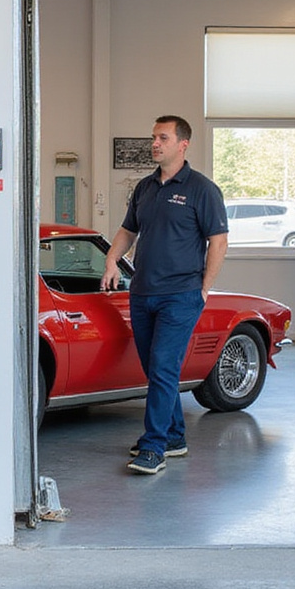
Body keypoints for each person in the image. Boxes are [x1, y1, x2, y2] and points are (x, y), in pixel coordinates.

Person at [102, 115, 229, 475]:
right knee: (156, 369)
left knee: (162, 367)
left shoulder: (202, 189)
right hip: (143, 292)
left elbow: (218, 241)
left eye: (162, 137)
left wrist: (203, 288)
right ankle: (174, 436)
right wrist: (113, 259)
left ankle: (154, 446)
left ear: (182, 144)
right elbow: (128, 231)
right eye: (153, 137)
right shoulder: (145, 188)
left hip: (181, 295)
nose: (154, 143)